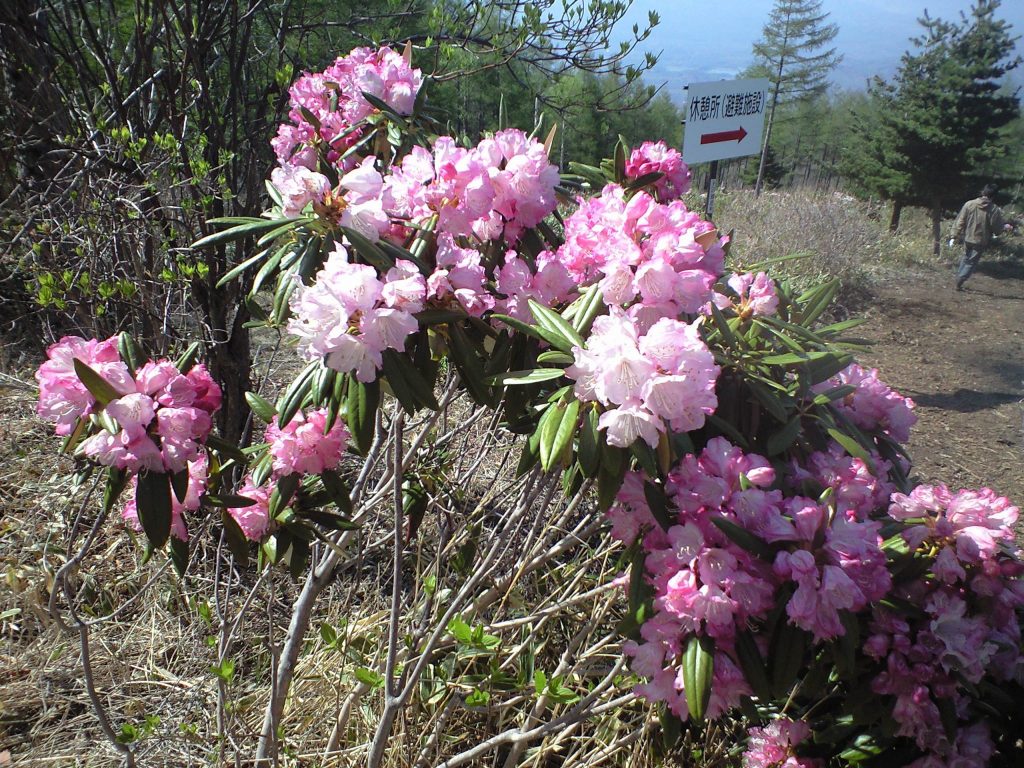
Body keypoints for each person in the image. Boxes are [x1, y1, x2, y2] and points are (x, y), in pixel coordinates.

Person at [949, 183, 1009, 291]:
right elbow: (997, 229)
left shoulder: (969, 204)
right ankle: (960, 280)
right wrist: (1003, 228)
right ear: (994, 196)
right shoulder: (994, 210)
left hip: (968, 238)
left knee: (965, 258)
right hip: (981, 241)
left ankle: (959, 277)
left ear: (983, 192)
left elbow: (960, 221)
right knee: (971, 262)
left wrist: (954, 235)